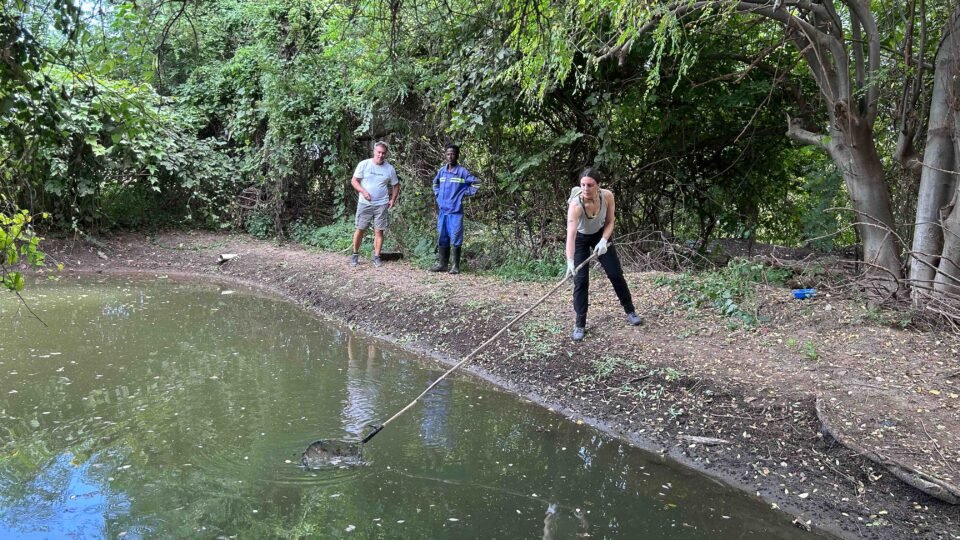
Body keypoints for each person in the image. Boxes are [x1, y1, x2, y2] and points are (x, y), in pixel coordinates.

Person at [564, 167, 642, 341]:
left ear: (598, 185)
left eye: (590, 185)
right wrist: (570, 260)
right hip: (580, 240)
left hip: (600, 235)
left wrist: (604, 240)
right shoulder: (576, 206)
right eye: (583, 185)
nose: (586, 189)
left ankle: (630, 310)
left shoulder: (607, 196)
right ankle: (580, 324)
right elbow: (571, 235)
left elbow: (610, 221)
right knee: (581, 280)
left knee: (615, 274)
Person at [429, 143, 479, 274]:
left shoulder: (462, 172)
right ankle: (442, 264)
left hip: (455, 212)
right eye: (448, 154)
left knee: (456, 237)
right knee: (442, 236)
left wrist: (463, 194)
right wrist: (438, 195)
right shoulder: (442, 171)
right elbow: (435, 184)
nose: (450, 156)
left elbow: (476, 184)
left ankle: (455, 266)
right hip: (443, 211)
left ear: (457, 156)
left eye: (453, 154)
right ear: (445, 155)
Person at [350, 141, 400, 267]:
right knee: (360, 229)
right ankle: (355, 254)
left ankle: (377, 257)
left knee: (379, 231)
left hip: (381, 204)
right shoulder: (364, 164)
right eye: (378, 152)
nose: (380, 155)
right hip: (364, 203)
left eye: (383, 153)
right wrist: (363, 191)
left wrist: (393, 199)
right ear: (374, 151)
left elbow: (395, 185)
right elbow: (354, 181)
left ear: (386, 154)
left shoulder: (389, 169)